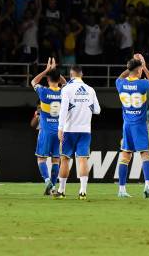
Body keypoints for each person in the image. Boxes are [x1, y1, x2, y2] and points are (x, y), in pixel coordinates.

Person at [53, 65, 101, 200]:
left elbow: (63, 110)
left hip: (69, 130)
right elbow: (97, 110)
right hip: (85, 130)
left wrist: (60, 128)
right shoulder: (90, 90)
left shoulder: (67, 89)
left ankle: (62, 190)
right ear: (82, 74)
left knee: (64, 160)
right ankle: (83, 191)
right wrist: (86, 106)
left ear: (71, 75)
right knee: (83, 160)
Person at [115, 54, 149, 198]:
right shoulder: (142, 84)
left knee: (125, 156)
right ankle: (147, 186)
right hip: (140, 125)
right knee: (145, 155)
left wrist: (132, 67)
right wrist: (144, 66)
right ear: (139, 71)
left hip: (127, 125)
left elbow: (121, 76)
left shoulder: (120, 84)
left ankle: (121, 189)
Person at [31, 58, 66, 195]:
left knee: (41, 159)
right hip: (59, 131)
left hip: (45, 131)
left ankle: (48, 183)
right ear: (58, 79)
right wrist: (55, 71)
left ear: (47, 79)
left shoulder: (44, 92)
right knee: (56, 160)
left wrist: (47, 70)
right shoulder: (64, 92)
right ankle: (52, 187)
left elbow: (33, 81)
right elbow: (66, 83)